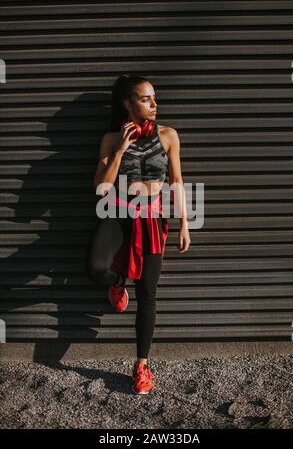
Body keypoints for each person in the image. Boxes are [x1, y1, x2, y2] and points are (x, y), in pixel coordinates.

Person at [85, 74, 190, 394]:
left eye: (154, 98)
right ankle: (118, 283)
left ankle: (142, 365)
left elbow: (177, 181)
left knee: (148, 293)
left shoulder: (169, 135)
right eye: (146, 99)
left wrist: (185, 221)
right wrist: (120, 149)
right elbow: (101, 187)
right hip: (117, 212)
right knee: (95, 268)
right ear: (127, 104)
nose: (154, 104)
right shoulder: (110, 138)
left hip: (152, 219)